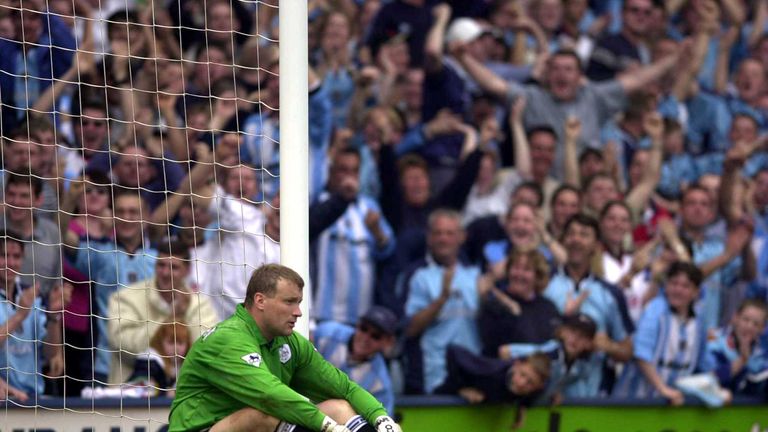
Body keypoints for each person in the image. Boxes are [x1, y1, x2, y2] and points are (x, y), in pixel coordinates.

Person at [169, 264, 402, 432]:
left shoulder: (289, 342)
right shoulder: (228, 339)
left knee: (338, 407)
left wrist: (382, 419)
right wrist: (327, 427)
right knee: (260, 415)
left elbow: (344, 388)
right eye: (289, 302)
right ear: (260, 301)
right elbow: (270, 396)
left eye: (299, 303)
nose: (298, 312)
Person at [107, 240, 219, 383]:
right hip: (130, 397)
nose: (166, 273)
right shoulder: (125, 298)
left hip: (185, 394)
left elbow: (206, 351)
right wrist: (171, 318)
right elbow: (125, 346)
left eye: (174, 267)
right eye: (161, 265)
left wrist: (179, 320)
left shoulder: (201, 305)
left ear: (187, 270)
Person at [615, 262, 709, 404]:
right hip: (638, 402)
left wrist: (714, 391)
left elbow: (703, 364)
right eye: (673, 283)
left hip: (676, 404)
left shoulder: (698, 320)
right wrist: (663, 389)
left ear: (695, 292)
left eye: (685, 286)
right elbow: (642, 355)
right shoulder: (655, 310)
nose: (678, 290)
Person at [314, 306, 398, 415]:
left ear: (388, 342)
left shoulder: (380, 385)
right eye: (364, 328)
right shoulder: (325, 335)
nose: (366, 338)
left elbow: (383, 422)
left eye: (376, 336)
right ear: (358, 324)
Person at [704, 299, 768, 397]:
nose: (749, 326)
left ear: (762, 329)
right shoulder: (715, 340)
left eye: (756, 324)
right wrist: (742, 360)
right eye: (745, 319)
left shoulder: (762, 353)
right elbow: (710, 379)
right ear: (735, 317)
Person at [128, 321, 192, 397]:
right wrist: (164, 393)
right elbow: (138, 387)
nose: (176, 348)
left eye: (180, 343)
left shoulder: (185, 365)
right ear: (160, 342)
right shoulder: (149, 362)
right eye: (171, 342)